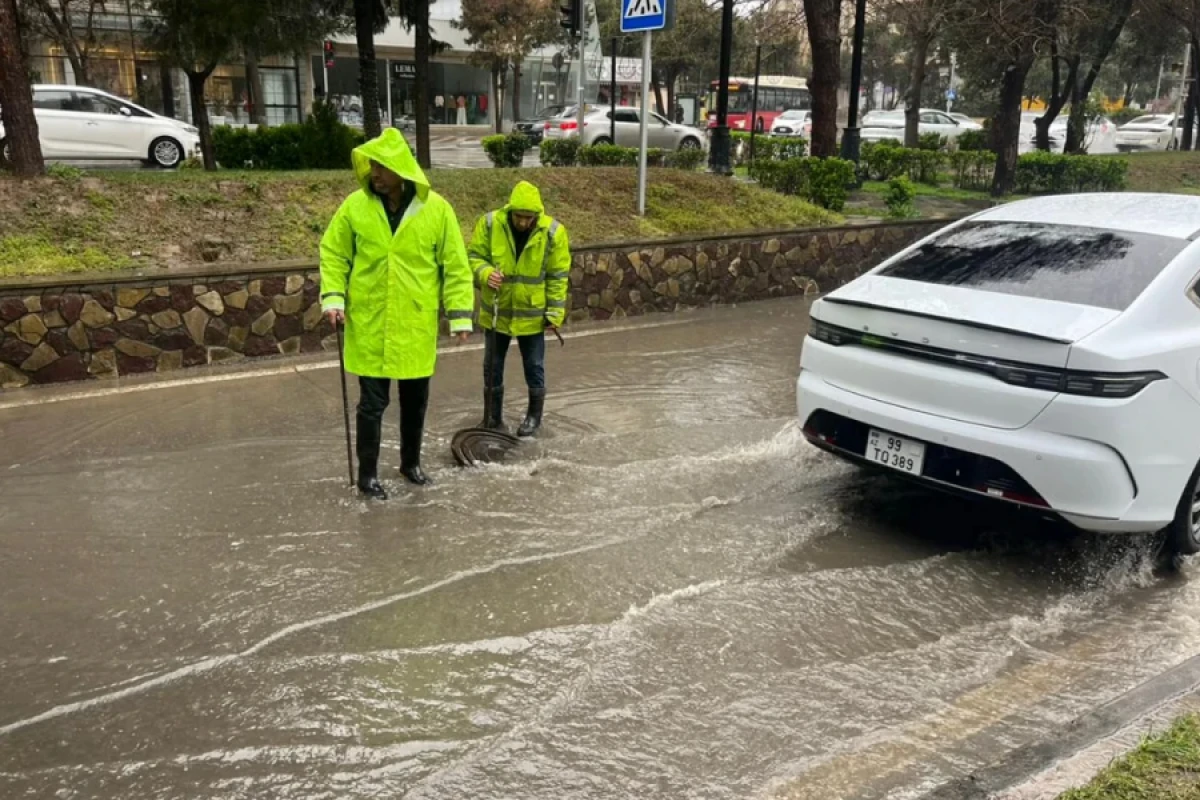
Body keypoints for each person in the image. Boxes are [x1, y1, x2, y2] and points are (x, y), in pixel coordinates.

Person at [320, 128, 474, 500]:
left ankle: (410, 464)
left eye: (382, 166)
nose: (374, 172)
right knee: (371, 404)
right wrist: (334, 298)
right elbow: (333, 253)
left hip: (414, 323)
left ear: (401, 169)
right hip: (370, 323)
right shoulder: (355, 207)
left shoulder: (436, 209)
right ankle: (367, 476)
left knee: (414, 400)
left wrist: (460, 317)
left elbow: (454, 265)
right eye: (372, 165)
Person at [468, 181, 570, 438]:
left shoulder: (553, 233)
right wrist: (485, 273)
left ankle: (534, 417)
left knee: (534, 366)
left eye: (528, 218)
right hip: (496, 310)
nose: (523, 223)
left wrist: (555, 314)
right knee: (492, 365)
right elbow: (473, 257)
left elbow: (558, 277)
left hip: (532, 314)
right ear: (510, 210)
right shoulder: (490, 224)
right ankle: (492, 418)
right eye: (519, 216)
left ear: (537, 215)